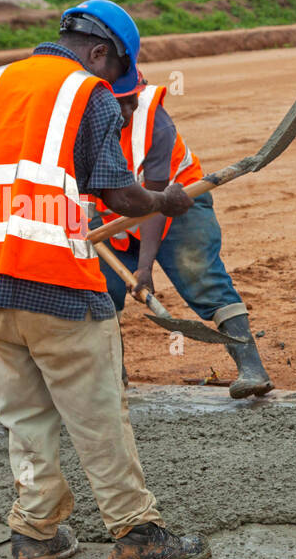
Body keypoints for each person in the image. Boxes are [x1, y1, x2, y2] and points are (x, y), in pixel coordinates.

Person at [0, 0, 209, 559]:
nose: (112, 82)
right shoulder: (89, 94)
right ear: (100, 51)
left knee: (25, 414)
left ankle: (35, 534)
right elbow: (120, 195)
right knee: (97, 408)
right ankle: (136, 532)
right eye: (113, 71)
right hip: (58, 282)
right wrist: (168, 200)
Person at [93, 72, 272, 398]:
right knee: (100, 290)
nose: (130, 110)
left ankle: (251, 367)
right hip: (111, 216)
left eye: (135, 98)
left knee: (199, 273)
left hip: (176, 202)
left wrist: (144, 267)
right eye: (123, 102)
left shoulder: (156, 123)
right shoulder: (76, 122)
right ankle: (110, 381)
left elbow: (156, 201)